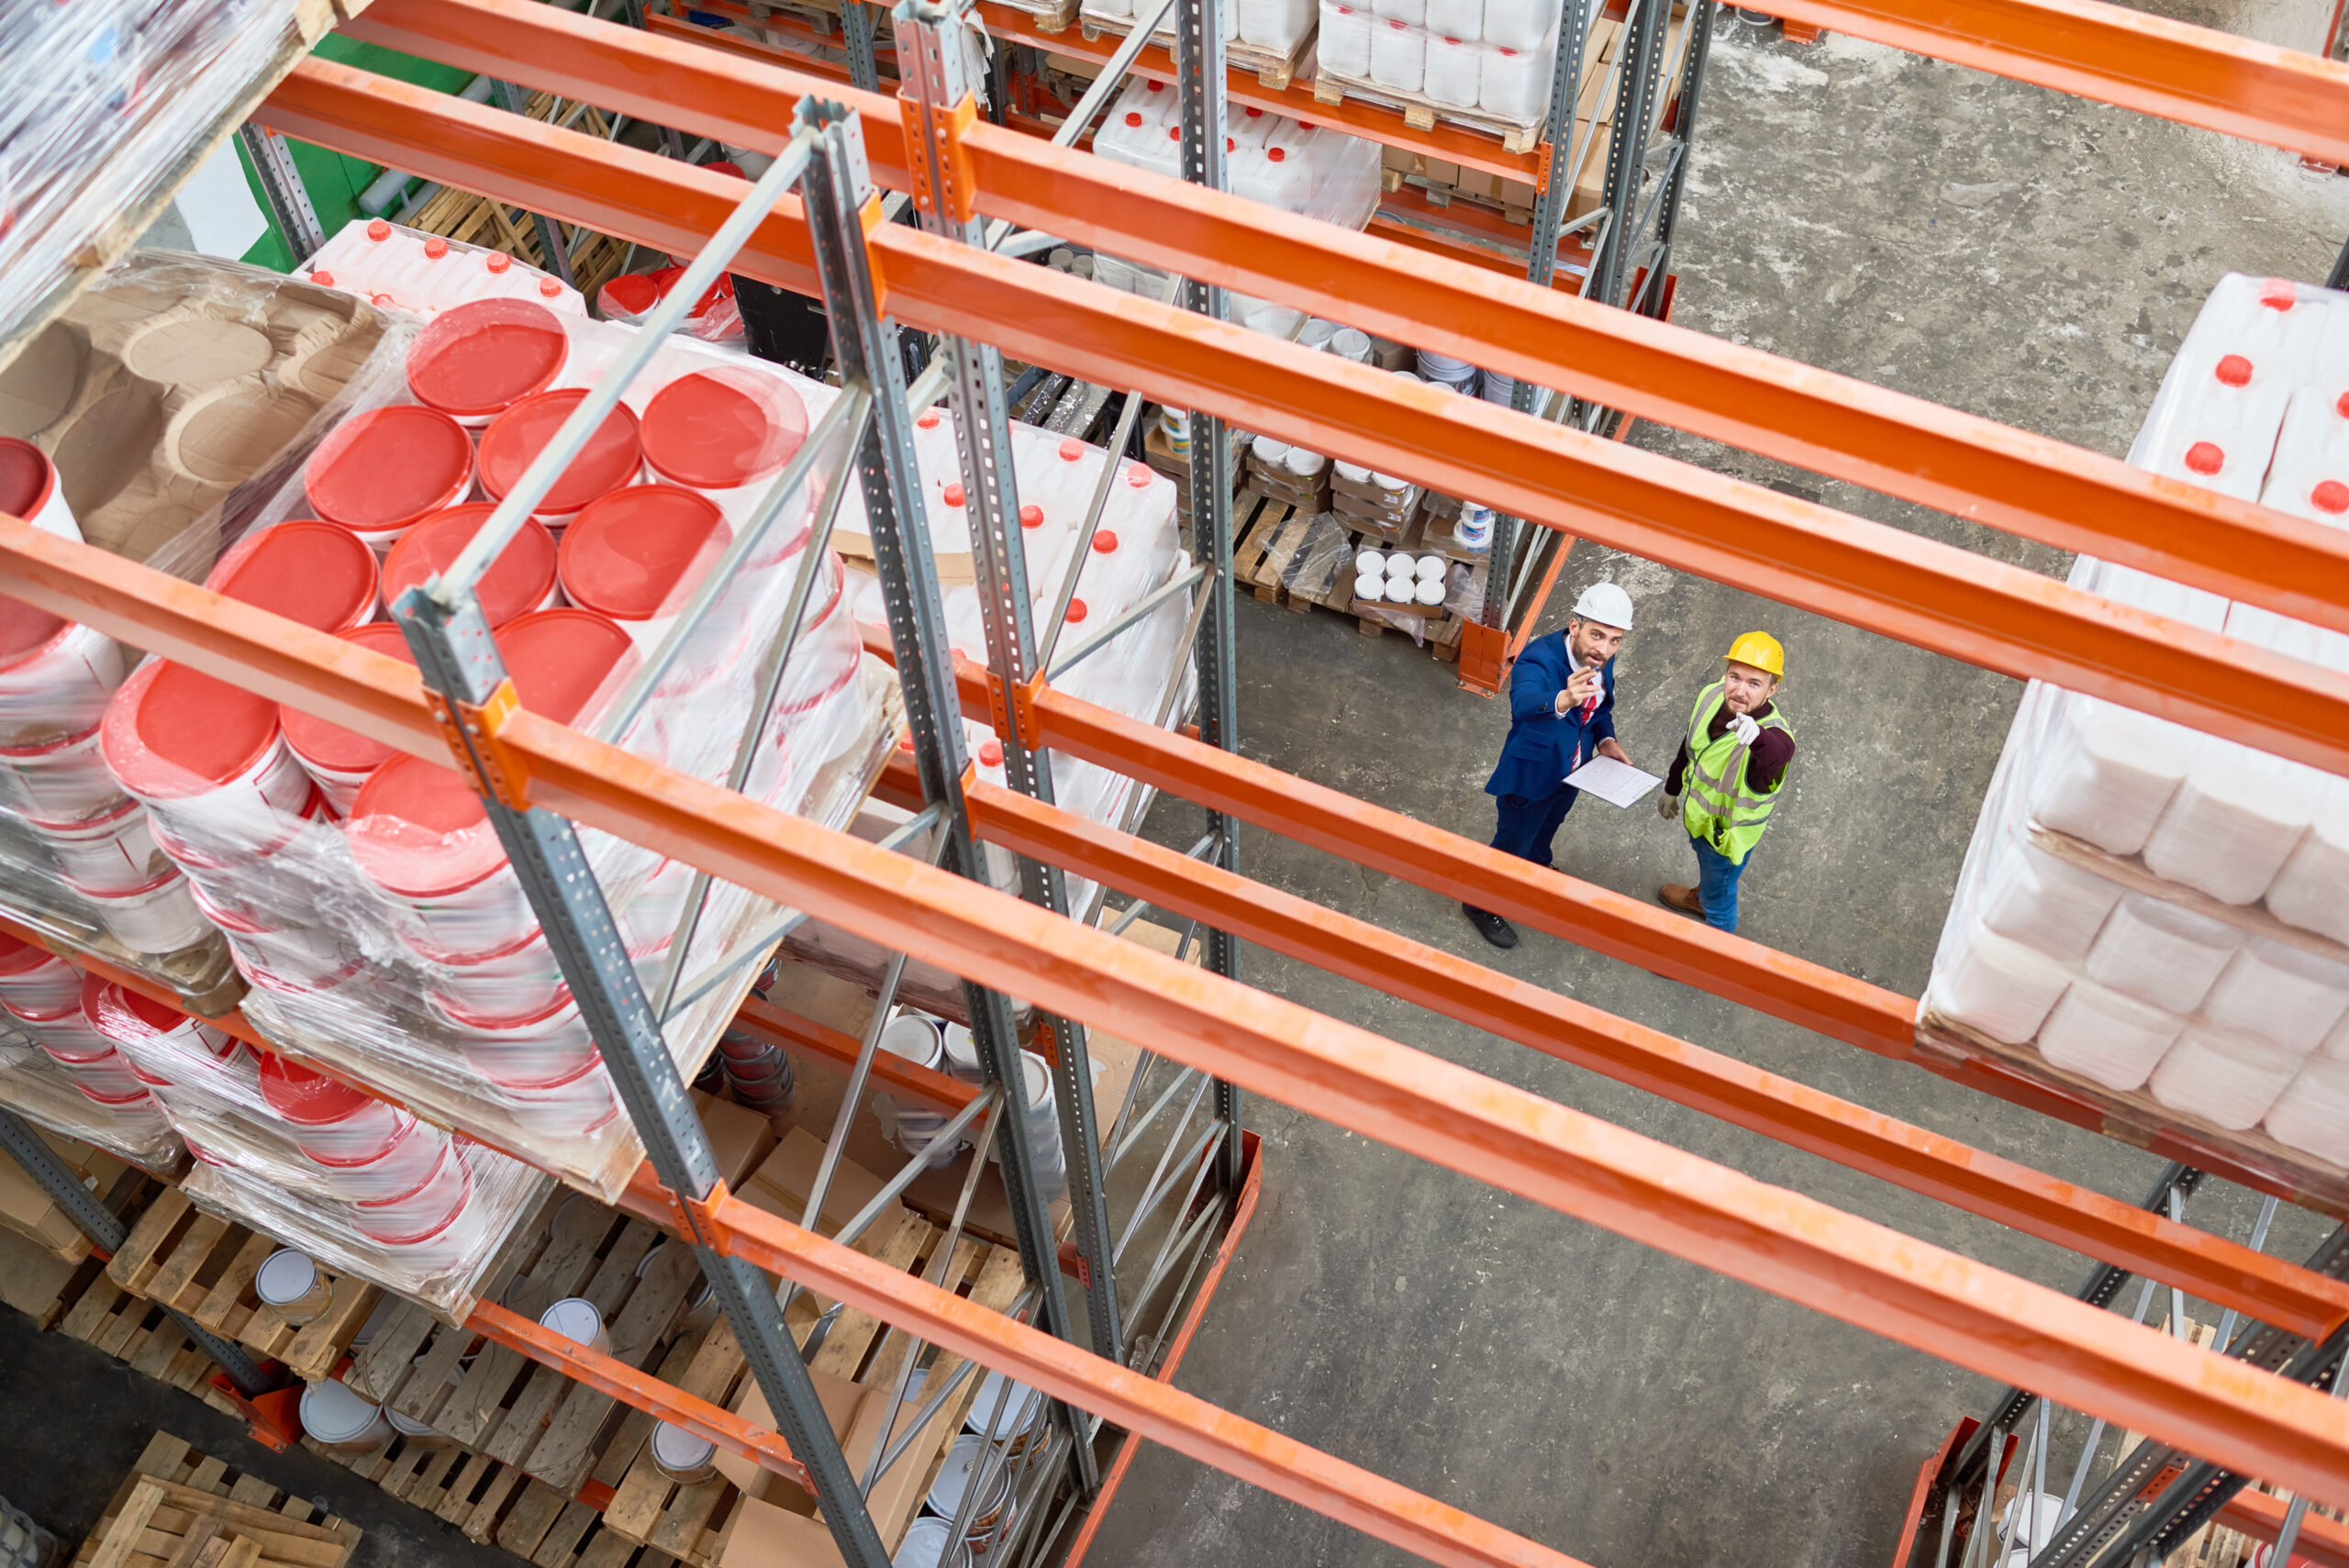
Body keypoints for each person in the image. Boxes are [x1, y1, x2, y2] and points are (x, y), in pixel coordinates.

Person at [1462, 583, 1636, 950]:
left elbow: (1601, 708)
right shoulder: (1537, 659)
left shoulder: (1602, 658)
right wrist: (1564, 698)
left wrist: (1605, 739)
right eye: (1597, 635)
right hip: (1531, 777)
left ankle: (1537, 867)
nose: (1604, 648)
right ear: (1575, 626)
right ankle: (1479, 902)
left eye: (1614, 640)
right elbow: (1524, 703)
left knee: (1549, 826)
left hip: (1573, 771)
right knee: (1512, 842)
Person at [1656, 631, 1794, 934]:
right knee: (1712, 883)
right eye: (1735, 677)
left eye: (1754, 683)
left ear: (1772, 690)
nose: (1740, 690)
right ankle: (1702, 897)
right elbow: (1690, 743)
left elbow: (1780, 753)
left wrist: (1758, 738)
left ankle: (1709, 953)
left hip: (1726, 843)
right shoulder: (1711, 695)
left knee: (1721, 905)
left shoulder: (1773, 737)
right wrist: (1672, 788)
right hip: (1700, 823)